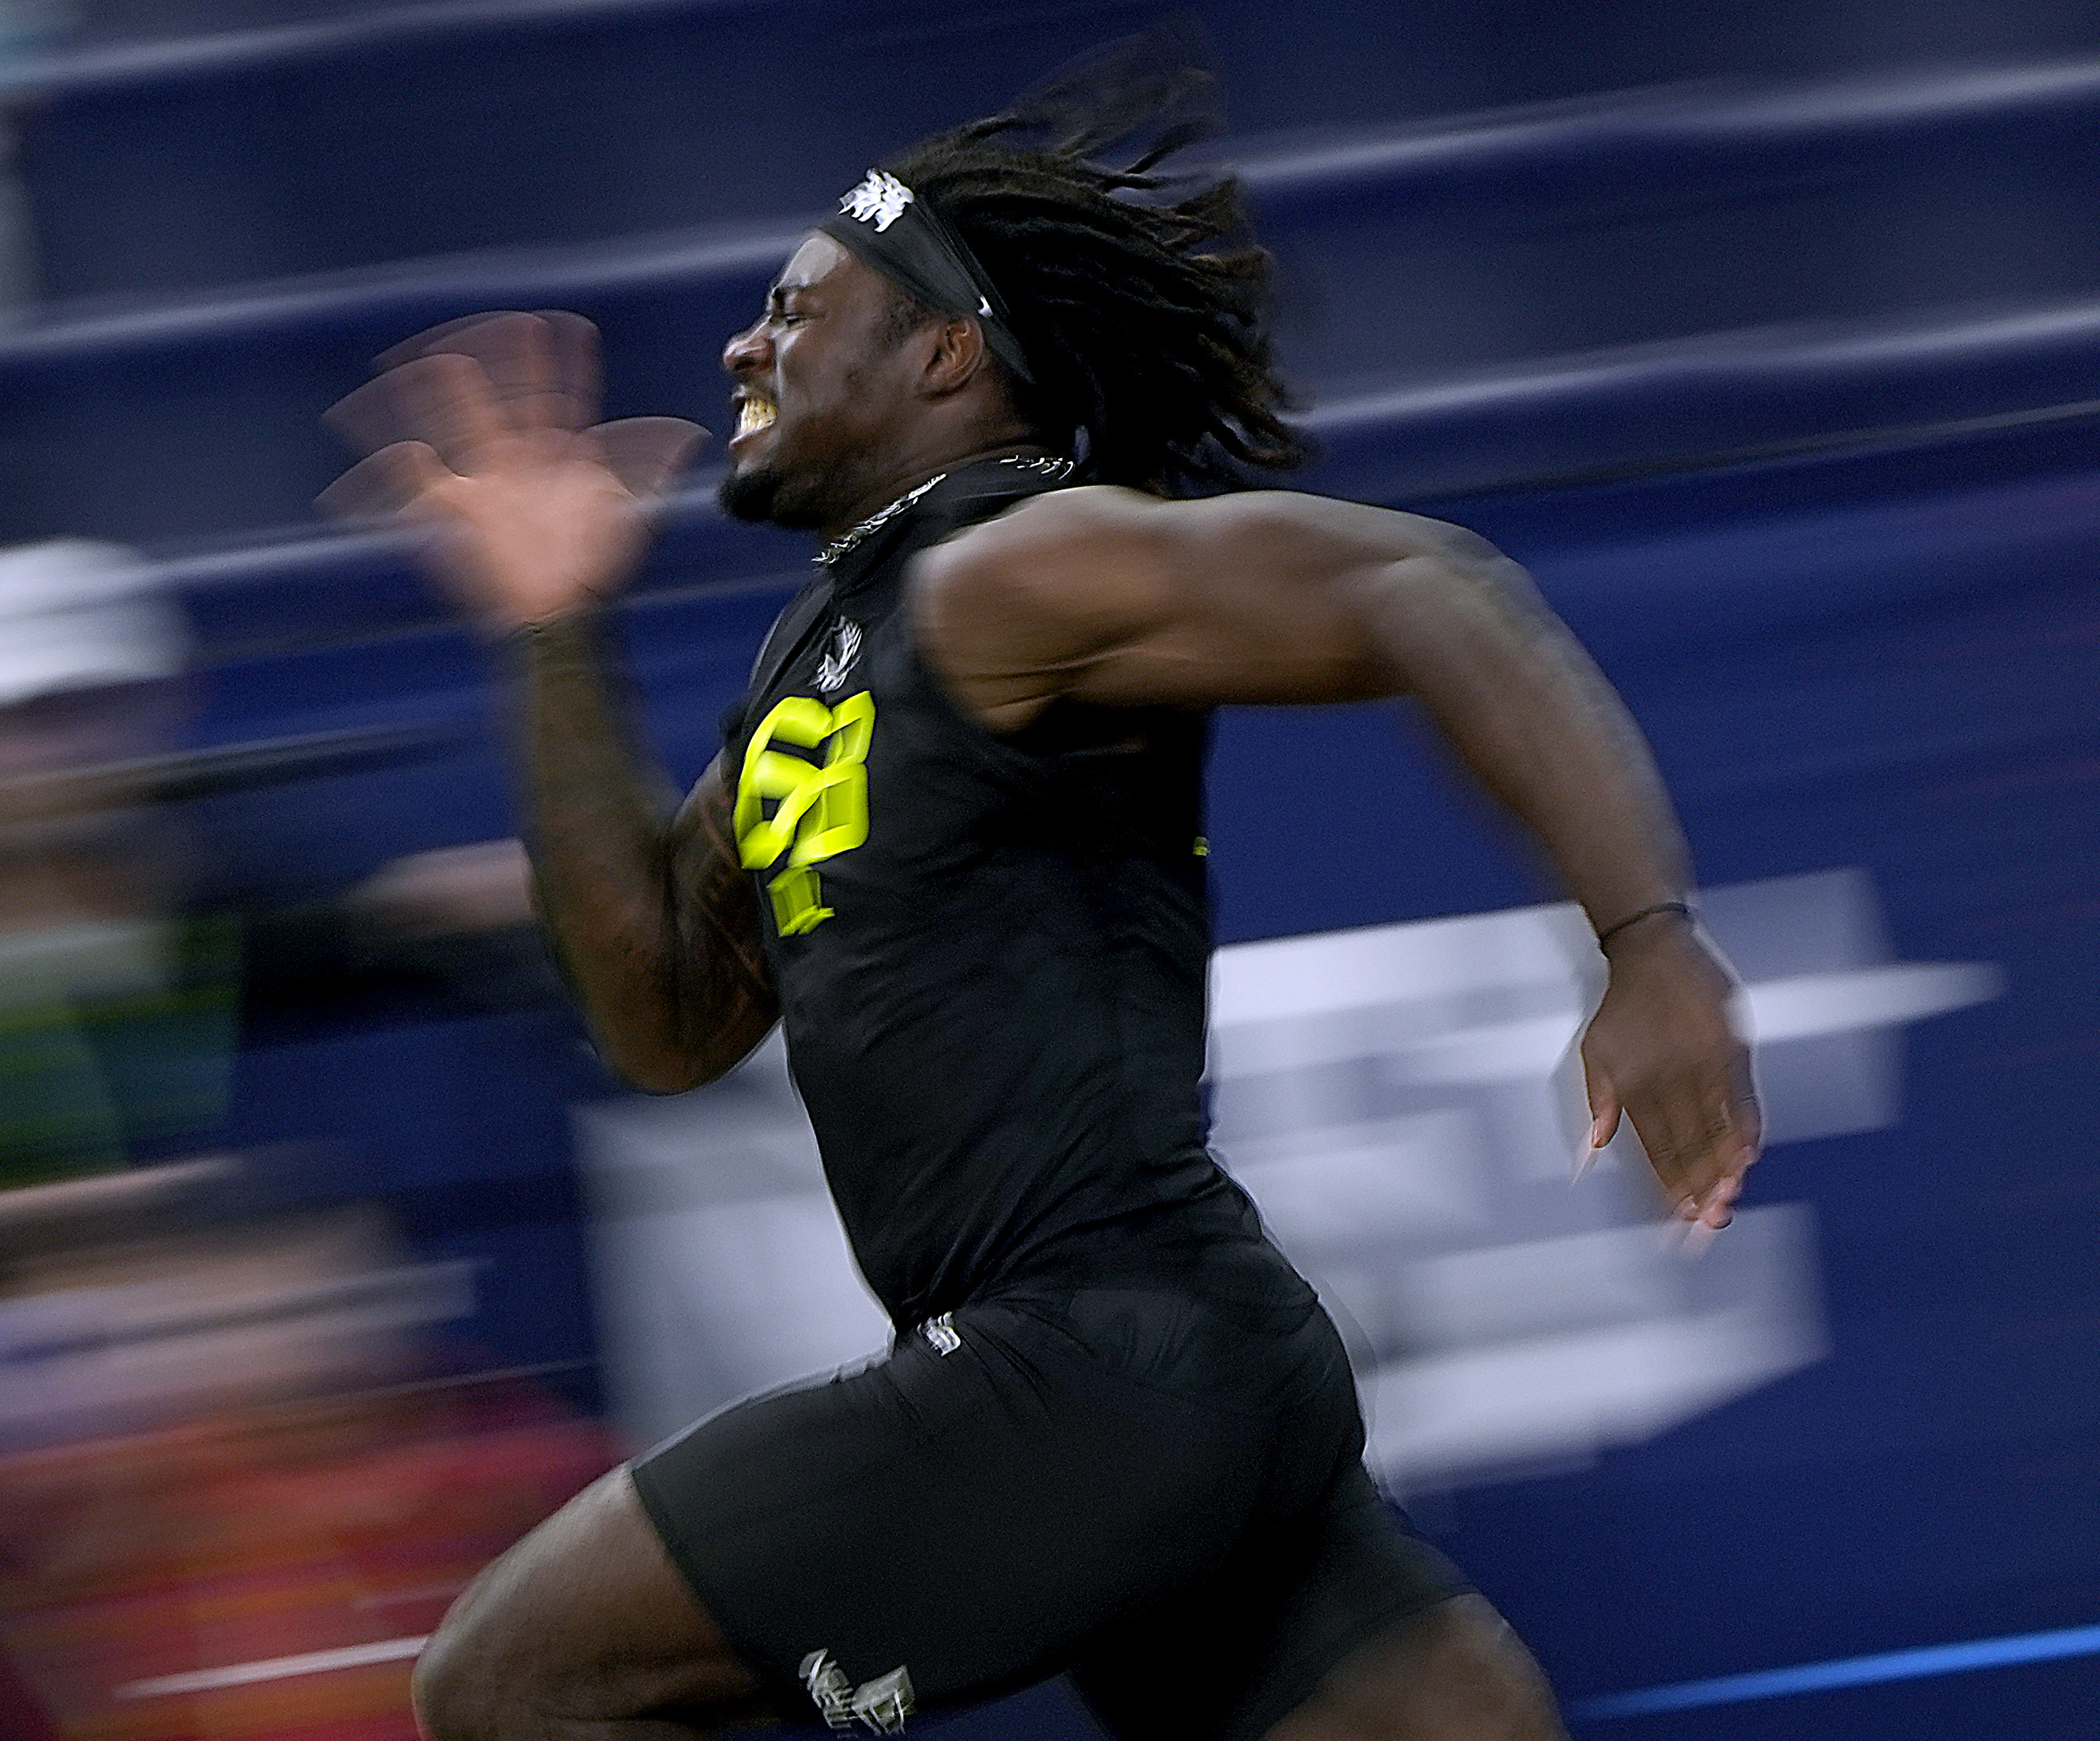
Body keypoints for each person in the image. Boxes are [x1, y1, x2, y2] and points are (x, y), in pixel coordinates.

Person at [324, 59, 1760, 1741]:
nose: (738, 346)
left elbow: (1420, 580)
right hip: (1180, 1368)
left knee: (513, 1677)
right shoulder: (831, 656)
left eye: (793, 310)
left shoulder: (1008, 567)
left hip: (1085, 1363)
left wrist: (1646, 945)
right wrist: (552, 630)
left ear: (944, 354)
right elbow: (663, 1016)